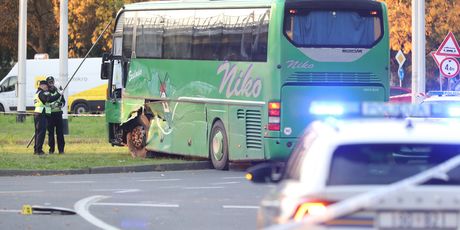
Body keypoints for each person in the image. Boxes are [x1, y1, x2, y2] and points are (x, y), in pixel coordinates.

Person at [46, 76, 65, 154]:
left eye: (52, 82)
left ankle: (61, 150)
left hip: (58, 114)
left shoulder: (59, 92)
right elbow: (47, 102)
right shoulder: (46, 93)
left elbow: (63, 102)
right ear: (47, 83)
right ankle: (51, 150)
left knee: (60, 133)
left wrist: (61, 104)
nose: (51, 83)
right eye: (49, 82)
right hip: (50, 115)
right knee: (51, 134)